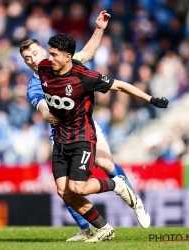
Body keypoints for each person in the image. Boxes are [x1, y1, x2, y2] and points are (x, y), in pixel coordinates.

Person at [20, 11, 149, 242]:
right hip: (60, 133)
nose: (32, 59)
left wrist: (99, 29)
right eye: (26, 58)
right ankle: (88, 228)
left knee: (103, 161)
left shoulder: (63, 62)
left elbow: (88, 52)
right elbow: (42, 108)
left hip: (84, 127)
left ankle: (134, 201)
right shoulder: (34, 85)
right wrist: (48, 114)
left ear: (43, 51)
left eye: (35, 53)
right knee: (65, 189)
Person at [37, 33, 168, 243]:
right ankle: (104, 228)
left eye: (54, 55)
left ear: (68, 57)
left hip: (82, 137)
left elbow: (120, 85)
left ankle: (118, 185)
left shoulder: (83, 77)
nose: (49, 58)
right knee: (64, 191)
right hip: (60, 139)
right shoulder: (43, 67)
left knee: (78, 187)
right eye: (49, 53)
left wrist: (150, 99)